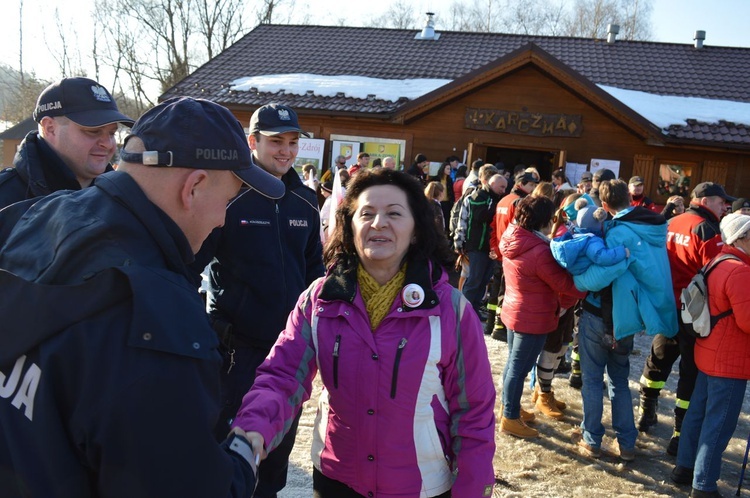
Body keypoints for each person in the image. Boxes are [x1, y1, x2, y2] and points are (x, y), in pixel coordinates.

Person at [0, 97, 283, 497]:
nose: (223, 218)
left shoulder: (30, 217)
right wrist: (241, 461)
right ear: (195, 186)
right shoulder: (158, 321)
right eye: (230, 199)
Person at [232, 169, 497, 497]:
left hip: (421, 484)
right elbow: (282, 375)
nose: (378, 223)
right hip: (337, 478)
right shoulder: (320, 299)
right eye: (366, 213)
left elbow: (474, 410)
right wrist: (253, 428)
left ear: (416, 231)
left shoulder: (449, 310)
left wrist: (471, 488)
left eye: (394, 214)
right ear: (350, 226)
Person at [192, 102, 325, 497]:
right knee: (227, 454)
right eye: (275, 142)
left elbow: (314, 272)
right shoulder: (229, 194)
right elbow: (190, 263)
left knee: (273, 461)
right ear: (252, 142)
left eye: (292, 142)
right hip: (235, 354)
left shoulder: (305, 201)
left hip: (288, 357)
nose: (285, 150)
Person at [573, 179, 677, 462]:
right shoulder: (652, 228)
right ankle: (627, 444)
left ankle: (592, 439)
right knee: (619, 381)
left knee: (593, 380)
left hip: (598, 315)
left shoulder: (617, 233)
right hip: (627, 318)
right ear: (631, 199)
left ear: (604, 206)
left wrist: (577, 280)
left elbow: (604, 274)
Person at [636, 181, 735, 456]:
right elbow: (715, 274)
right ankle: (680, 435)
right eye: (720, 201)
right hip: (694, 312)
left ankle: (646, 412)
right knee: (690, 372)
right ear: (705, 201)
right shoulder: (706, 230)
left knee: (658, 360)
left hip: (666, 304)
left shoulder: (673, 221)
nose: (724, 206)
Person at [671, 213, 750, 498]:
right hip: (729, 360)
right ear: (740, 237)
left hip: (709, 352)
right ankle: (703, 485)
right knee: (719, 422)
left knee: (697, 414)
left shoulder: (716, 262)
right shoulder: (740, 270)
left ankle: (684, 467)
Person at [498, 195, 585, 437]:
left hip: (515, 309)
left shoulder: (513, 236)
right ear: (544, 220)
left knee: (513, 365)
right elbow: (565, 284)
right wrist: (591, 285)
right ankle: (510, 418)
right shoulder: (539, 251)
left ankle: (509, 407)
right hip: (532, 317)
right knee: (519, 368)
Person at [0, 77, 134, 208]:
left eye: (112, 133)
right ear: (50, 128)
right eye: (93, 131)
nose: (108, 144)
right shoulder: (6, 198)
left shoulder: (123, 199)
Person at [453, 166, 502, 317]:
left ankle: (472, 311)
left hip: (490, 247)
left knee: (483, 281)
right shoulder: (476, 197)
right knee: (473, 280)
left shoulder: (496, 199)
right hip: (476, 246)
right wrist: (459, 242)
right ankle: (463, 312)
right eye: (501, 186)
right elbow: (465, 220)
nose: (503, 190)